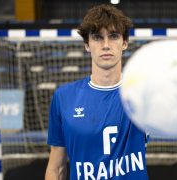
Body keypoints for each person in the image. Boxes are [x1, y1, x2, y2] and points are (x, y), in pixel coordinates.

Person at [45, 4, 148, 180]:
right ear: (87, 45)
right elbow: (57, 168)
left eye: (114, 36)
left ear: (124, 43)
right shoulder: (64, 98)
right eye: (97, 38)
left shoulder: (144, 93)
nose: (106, 45)